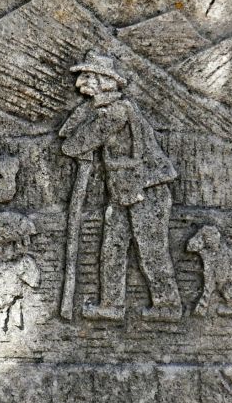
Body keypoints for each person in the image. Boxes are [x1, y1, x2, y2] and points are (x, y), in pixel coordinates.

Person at [60, 51, 182, 321]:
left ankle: (168, 306)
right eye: (83, 76)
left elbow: (76, 144)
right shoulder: (104, 110)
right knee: (112, 247)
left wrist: (76, 140)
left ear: (105, 81)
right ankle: (112, 305)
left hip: (147, 188)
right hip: (123, 191)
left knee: (151, 249)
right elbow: (70, 133)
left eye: (89, 76)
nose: (81, 83)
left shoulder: (116, 112)